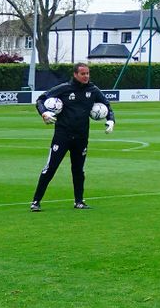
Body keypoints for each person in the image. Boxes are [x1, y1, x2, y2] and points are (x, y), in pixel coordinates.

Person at [30, 62, 114, 211]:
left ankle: (79, 201)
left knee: (78, 170)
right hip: (62, 136)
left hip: (81, 137)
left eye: (88, 73)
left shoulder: (93, 90)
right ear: (75, 74)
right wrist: (44, 113)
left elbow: (107, 105)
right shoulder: (64, 89)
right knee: (50, 168)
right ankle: (35, 202)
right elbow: (40, 100)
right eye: (83, 74)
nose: (86, 76)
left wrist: (111, 120)